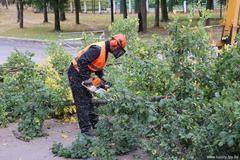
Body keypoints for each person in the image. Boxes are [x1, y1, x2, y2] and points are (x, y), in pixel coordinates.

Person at [67, 34, 127, 136]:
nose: (118, 51)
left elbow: (97, 66)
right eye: (119, 48)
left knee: (88, 100)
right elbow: (82, 62)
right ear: (114, 44)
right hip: (75, 73)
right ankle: (86, 130)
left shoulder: (104, 51)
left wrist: (102, 79)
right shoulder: (97, 49)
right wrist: (87, 80)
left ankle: (96, 124)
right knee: (82, 102)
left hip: (82, 73)